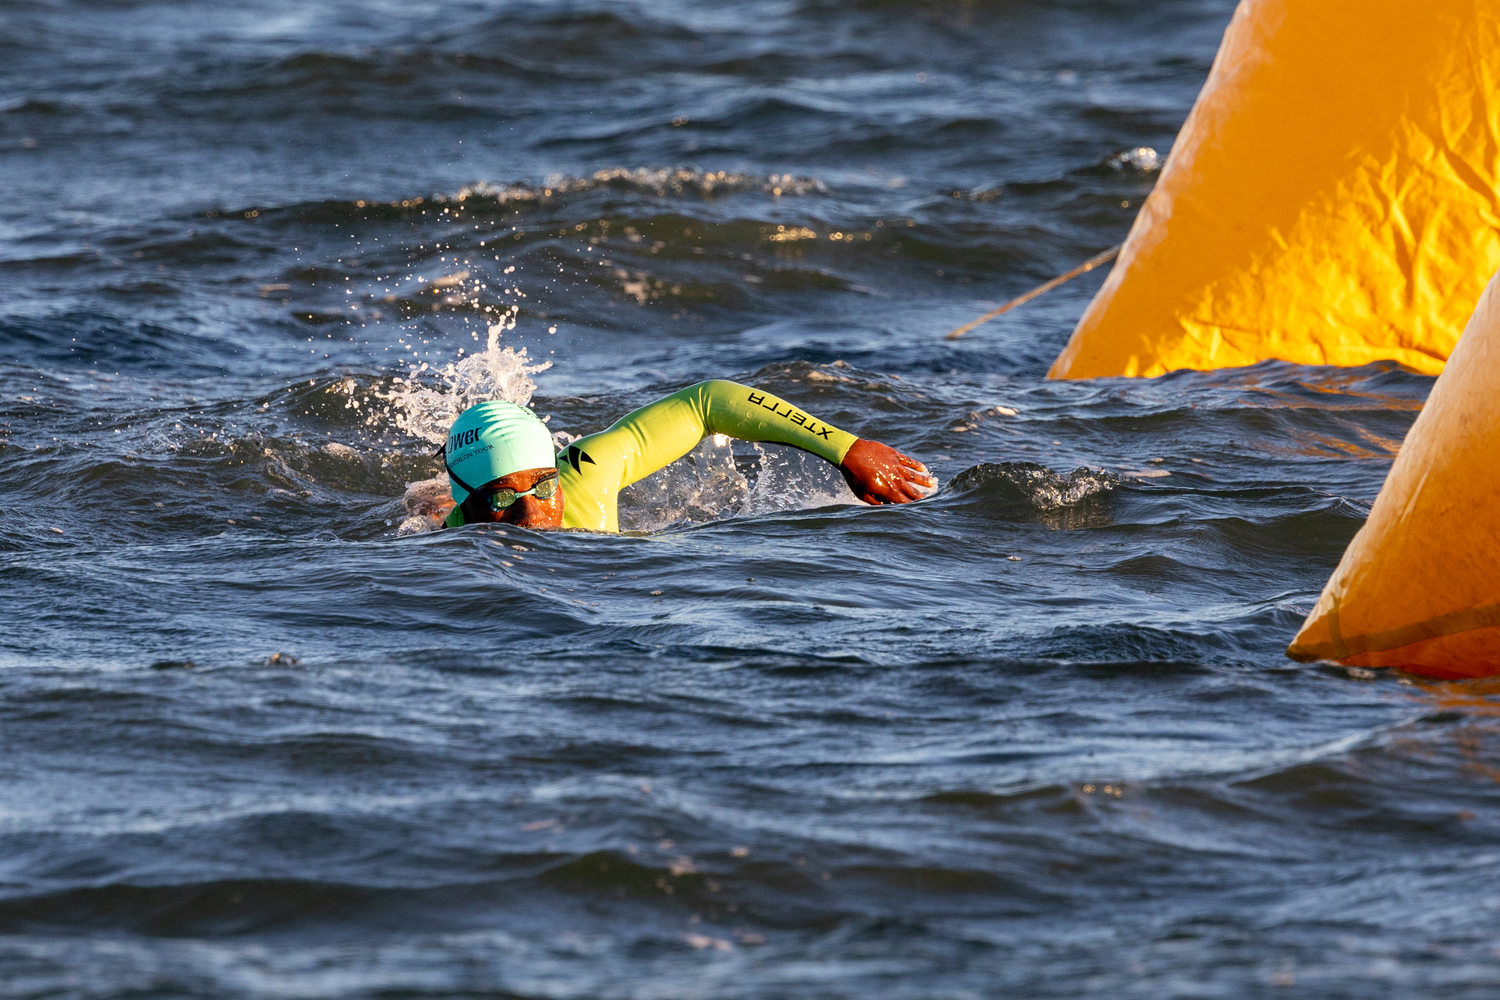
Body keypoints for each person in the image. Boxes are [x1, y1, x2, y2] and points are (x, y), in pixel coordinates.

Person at [436, 379, 933, 532]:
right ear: (468, 505)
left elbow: (707, 401)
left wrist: (844, 448)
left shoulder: (585, 470)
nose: (532, 512)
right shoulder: (447, 546)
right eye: (503, 497)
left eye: (543, 485)